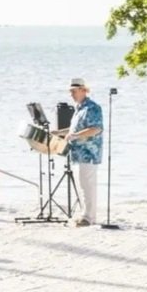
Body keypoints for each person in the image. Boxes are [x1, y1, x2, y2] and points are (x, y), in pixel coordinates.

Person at [60, 77, 103, 226]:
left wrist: (76, 136)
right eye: (70, 91)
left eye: (74, 91)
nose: (71, 94)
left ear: (83, 90)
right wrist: (58, 132)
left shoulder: (92, 108)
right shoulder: (79, 109)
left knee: (88, 185)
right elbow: (74, 130)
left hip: (88, 153)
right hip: (77, 153)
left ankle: (89, 217)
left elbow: (96, 128)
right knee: (82, 185)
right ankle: (85, 215)